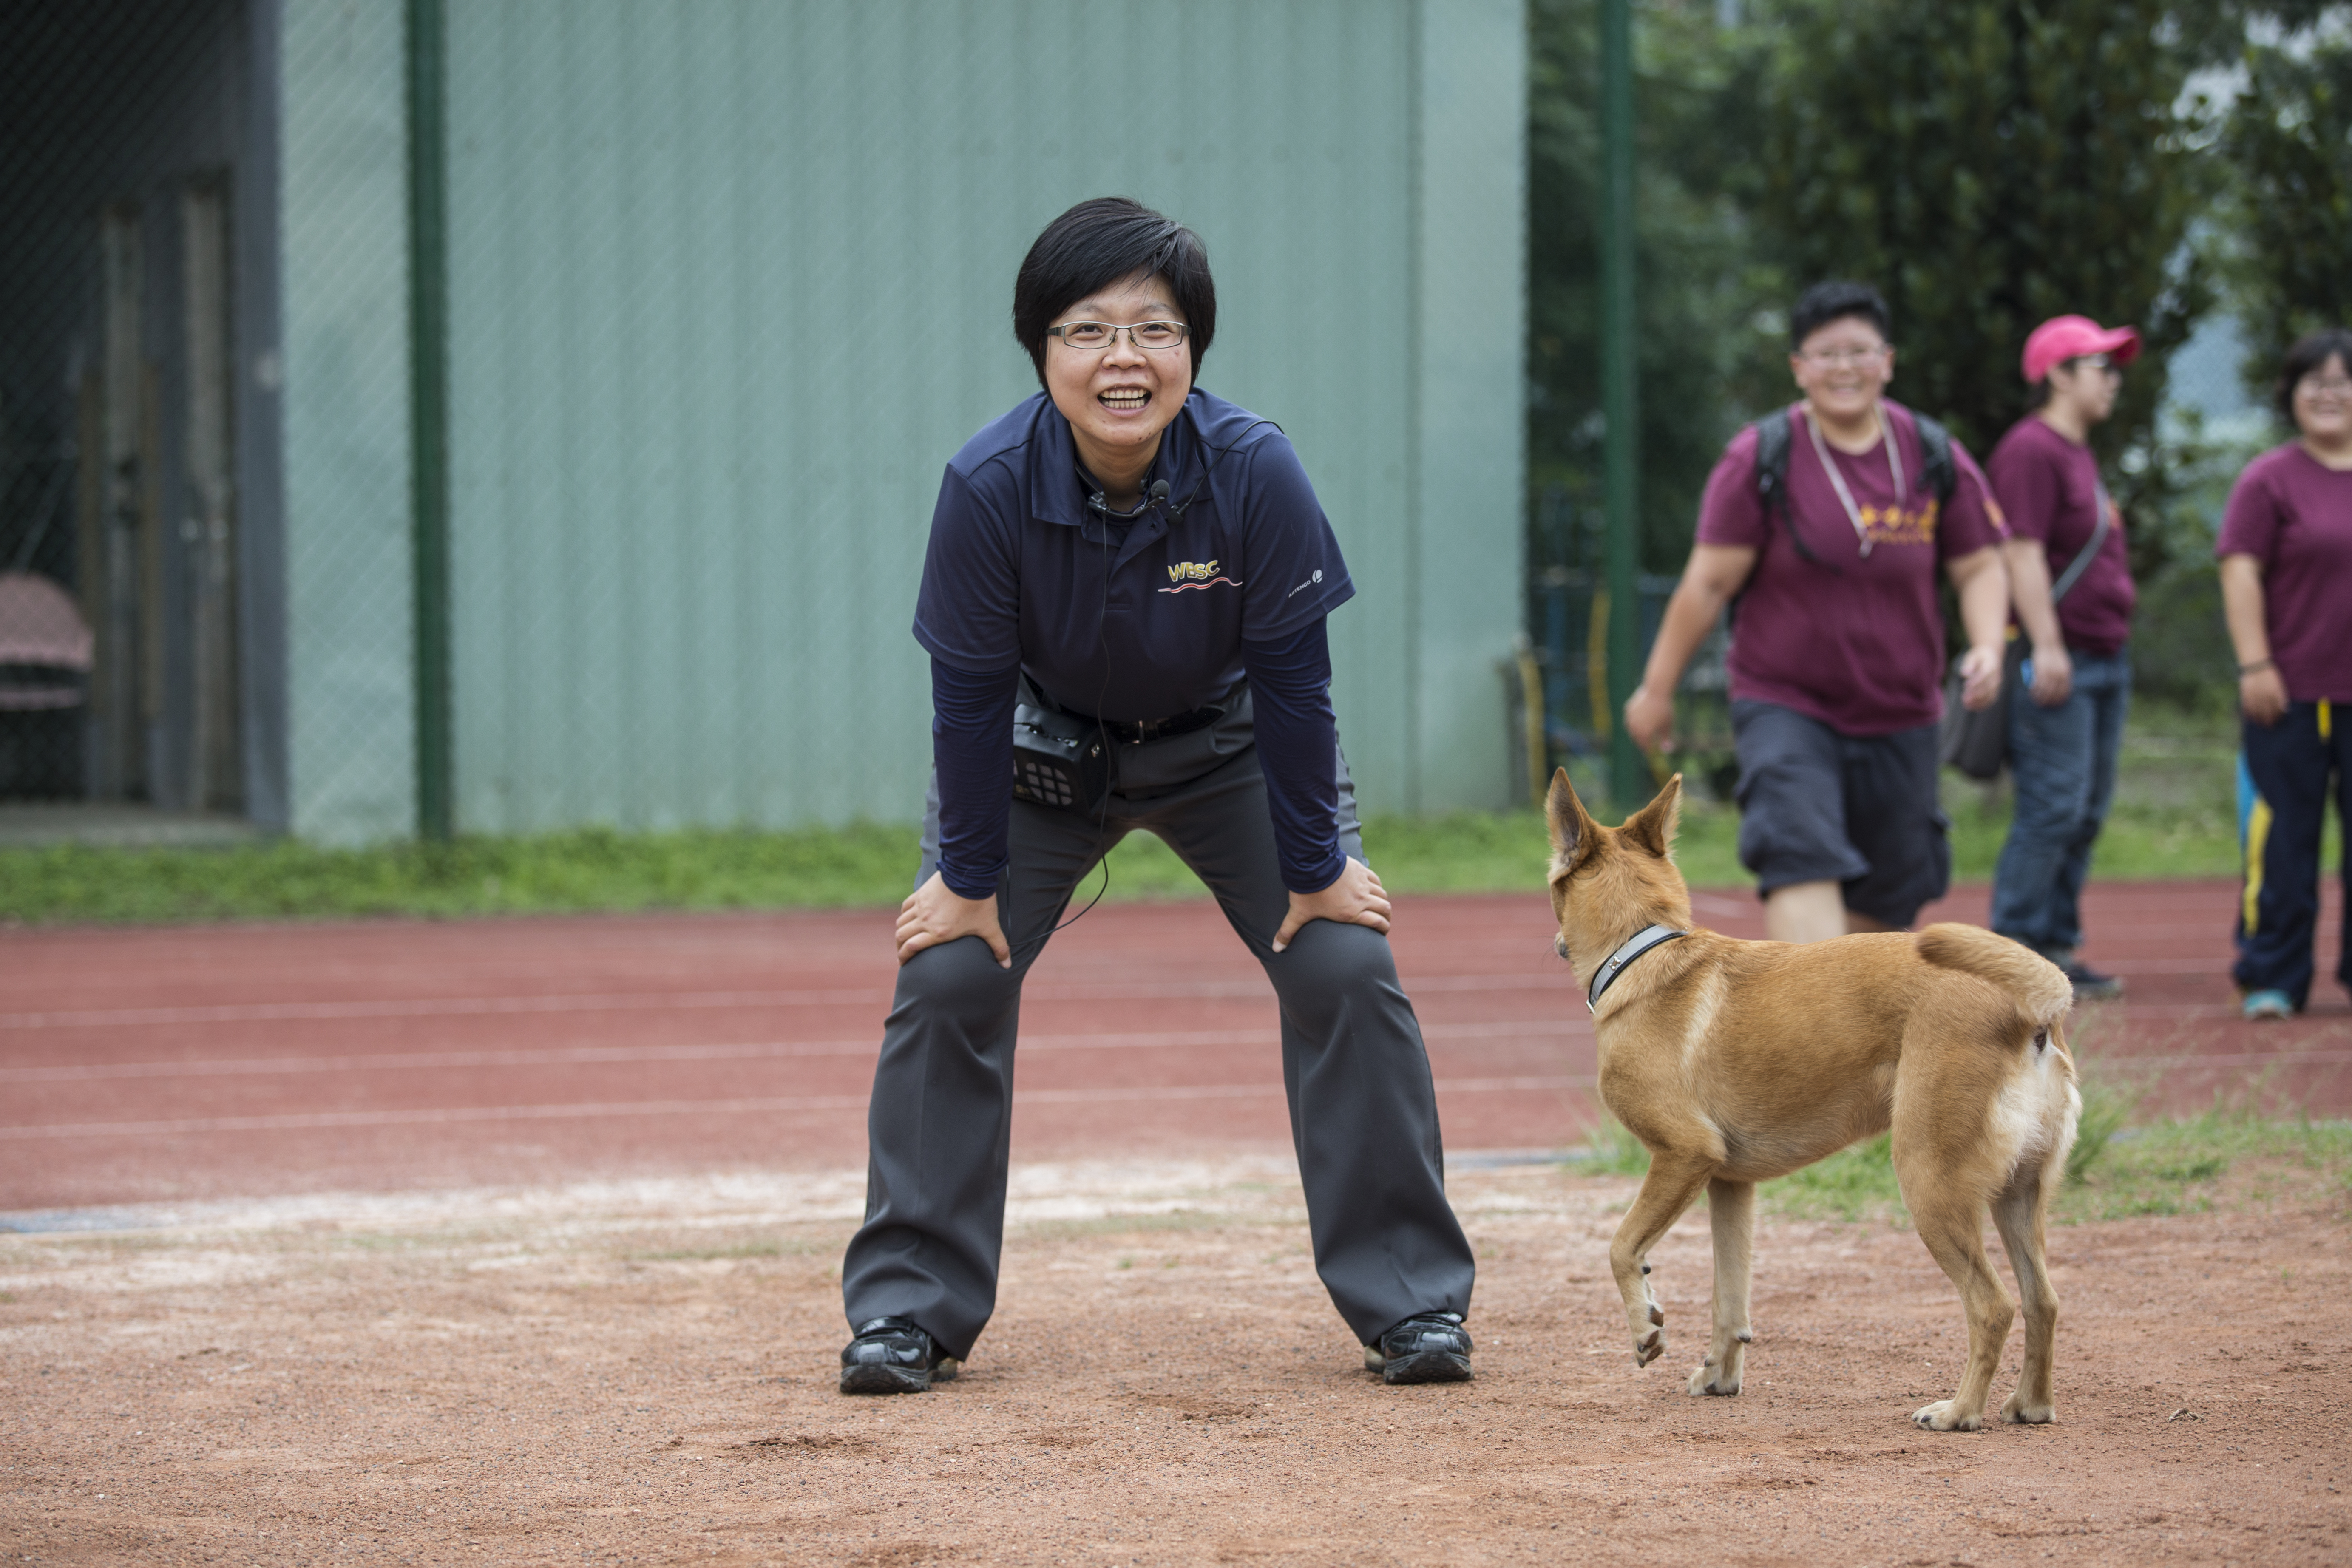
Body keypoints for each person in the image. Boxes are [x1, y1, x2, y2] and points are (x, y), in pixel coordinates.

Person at [834, 198, 1477, 1394]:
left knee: (1343, 964)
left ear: (1192, 349)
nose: (1121, 359)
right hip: (1041, 756)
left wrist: (1315, 868)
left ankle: (1411, 1301)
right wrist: (967, 880)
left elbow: (1296, 688)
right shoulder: (985, 484)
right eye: (1086, 330)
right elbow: (964, 703)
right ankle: (908, 1311)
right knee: (950, 974)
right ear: (1041, 350)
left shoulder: (1253, 468)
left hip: (1226, 748)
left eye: (1154, 330)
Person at [1623, 281, 2009, 943]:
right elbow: (1707, 583)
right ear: (1799, 367)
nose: (1843, 368)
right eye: (1825, 354)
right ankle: (1813, 1013)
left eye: (1859, 351)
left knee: (1892, 891)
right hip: (1786, 703)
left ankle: (1834, 996)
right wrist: (1656, 689)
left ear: (1887, 361)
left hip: (1901, 709)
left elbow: (1978, 565)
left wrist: (1987, 647)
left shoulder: (1932, 453)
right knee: (1796, 852)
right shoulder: (1761, 457)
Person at [1985, 316, 2142, 1001]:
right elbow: (2019, 551)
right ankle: (2011, 954)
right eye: (2099, 365)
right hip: (2062, 656)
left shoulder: (2077, 451)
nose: (2113, 379)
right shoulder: (2032, 449)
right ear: (2056, 374)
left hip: (2104, 654)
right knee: (2052, 807)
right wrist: (2046, 643)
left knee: (2084, 809)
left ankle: (2054, 943)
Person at [2216, 326, 2352, 1020]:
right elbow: (2239, 570)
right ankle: (2272, 974)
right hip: (2289, 693)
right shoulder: (2267, 479)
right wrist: (2256, 663)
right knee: (2282, 847)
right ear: (2291, 395)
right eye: (2314, 382)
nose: (2329, 394)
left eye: (2342, 381)